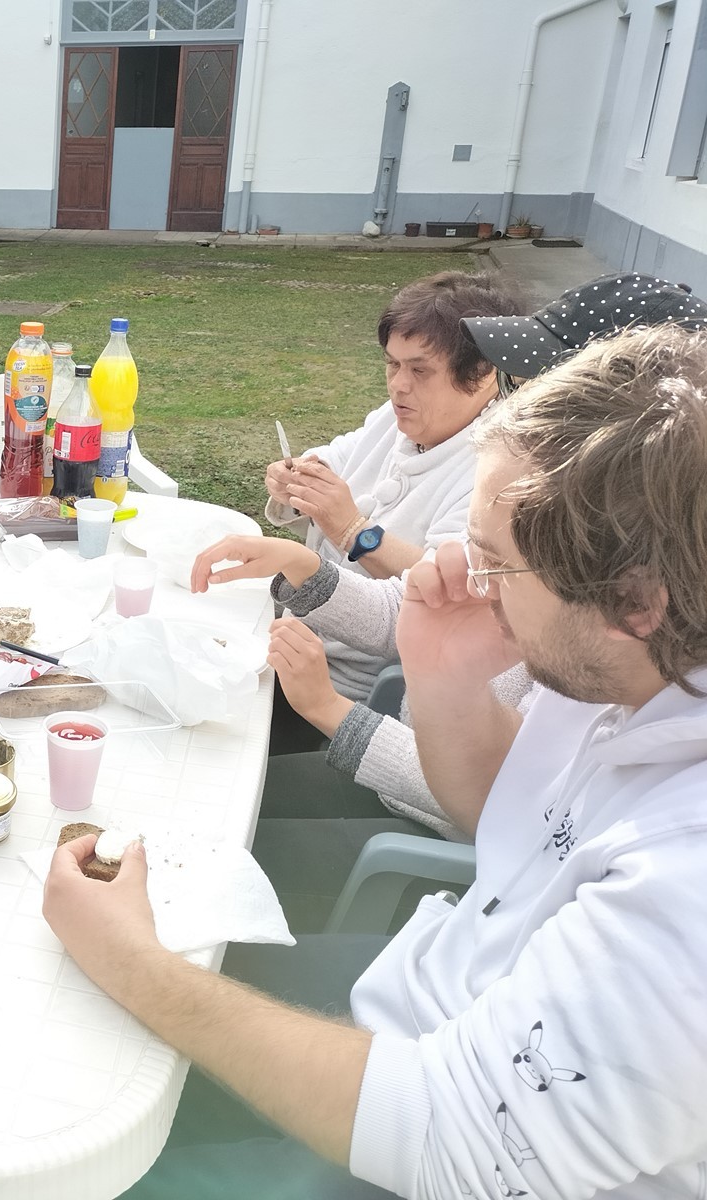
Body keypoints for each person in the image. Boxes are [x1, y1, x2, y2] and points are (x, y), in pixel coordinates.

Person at [46, 324, 707, 1199]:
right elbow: (507, 823)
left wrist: (134, 965)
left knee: (57, 1122)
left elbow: (451, 1141)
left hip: (428, 1150)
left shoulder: (685, 881)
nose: (462, 579)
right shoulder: (631, 675)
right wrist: (444, 674)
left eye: (496, 566)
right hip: (424, 995)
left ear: (634, 603)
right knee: (65, 1012)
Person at [199, 273, 707, 930]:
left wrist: (332, 707)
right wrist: (304, 561)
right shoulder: (577, 630)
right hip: (408, 771)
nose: (513, 399)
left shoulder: (573, 636)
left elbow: (492, 824)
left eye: (541, 386)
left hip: (408, 821)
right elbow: (501, 798)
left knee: (214, 820)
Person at [232, 271, 528, 752]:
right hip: (284, 641)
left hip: (345, 692)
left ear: (483, 373)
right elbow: (337, 456)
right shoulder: (395, 420)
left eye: (420, 370)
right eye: (392, 365)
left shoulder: (498, 470)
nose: (398, 386)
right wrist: (298, 479)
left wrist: (352, 530)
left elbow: (447, 596)